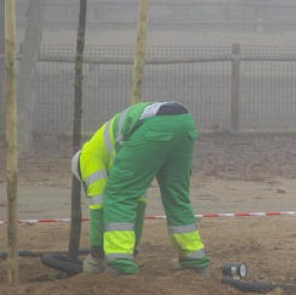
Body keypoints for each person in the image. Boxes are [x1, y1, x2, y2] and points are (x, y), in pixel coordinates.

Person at [71, 100, 209, 275]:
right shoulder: (113, 154)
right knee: (177, 197)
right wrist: (132, 247)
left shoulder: (87, 159)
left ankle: (120, 264)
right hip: (184, 122)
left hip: (154, 126)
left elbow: (100, 208)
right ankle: (195, 259)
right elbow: (138, 203)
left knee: (118, 195)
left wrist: (97, 255)